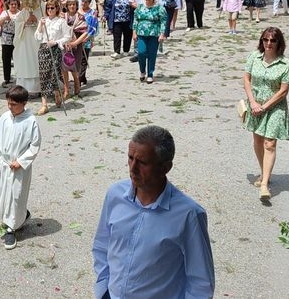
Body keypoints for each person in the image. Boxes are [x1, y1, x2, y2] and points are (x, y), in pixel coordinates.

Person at [92, 125, 215, 299]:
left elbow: (201, 284)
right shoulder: (115, 195)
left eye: (142, 162)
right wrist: (103, 289)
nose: (132, 168)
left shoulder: (189, 215)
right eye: (130, 158)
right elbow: (102, 245)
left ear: (166, 167)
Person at [243, 27, 289, 201]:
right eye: (266, 40)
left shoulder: (287, 65)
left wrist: (264, 107)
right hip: (255, 104)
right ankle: (264, 172)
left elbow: (283, 91)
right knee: (257, 140)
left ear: (279, 43)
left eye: (273, 40)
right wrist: (252, 102)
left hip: (275, 107)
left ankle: (264, 184)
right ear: (261, 41)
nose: (269, 43)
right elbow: (247, 79)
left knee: (270, 143)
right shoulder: (253, 57)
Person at [0, 85, 41, 250]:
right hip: (4, 164)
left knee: (16, 195)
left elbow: (35, 145)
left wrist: (22, 161)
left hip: (18, 167)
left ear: (24, 103)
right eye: (8, 103)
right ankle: (13, 218)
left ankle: (11, 229)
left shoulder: (30, 121)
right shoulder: (5, 117)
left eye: (14, 104)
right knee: (3, 193)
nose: (10, 107)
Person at [35, 0, 68, 115]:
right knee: (44, 75)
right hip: (43, 49)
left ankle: (57, 94)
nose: (50, 10)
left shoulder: (61, 21)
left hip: (55, 49)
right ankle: (44, 104)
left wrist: (56, 42)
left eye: (52, 8)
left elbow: (67, 37)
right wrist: (40, 25)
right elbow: (38, 37)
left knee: (54, 74)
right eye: (48, 8)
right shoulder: (44, 21)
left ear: (56, 8)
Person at [133, 0, 167, 84]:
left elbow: (163, 21)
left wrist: (162, 34)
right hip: (141, 33)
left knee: (152, 55)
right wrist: (134, 32)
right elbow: (135, 20)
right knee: (141, 53)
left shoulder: (159, 8)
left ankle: (150, 74)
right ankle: (142, 70)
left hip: (154, 33)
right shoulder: (139, 7)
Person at [12, 0, 41, 98]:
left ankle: (40, 88)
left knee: (36, 62)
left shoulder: (41, 11)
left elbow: (45, 24)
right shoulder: (22, 13)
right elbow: (18, 25)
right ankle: (26, 89)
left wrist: (37, 21)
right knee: (26, 63)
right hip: (25, 43)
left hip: (37, 42)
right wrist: (25, 23)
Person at [61, 0, 84, 97]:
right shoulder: (62, 17)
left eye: (74, 4)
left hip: (76, 43)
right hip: (64, 43)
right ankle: (66, 89)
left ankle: (76, 82)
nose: (72, 6)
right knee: (64, 66)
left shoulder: (80, 17)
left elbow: (85, 31)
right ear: (67, 6)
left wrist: (75, 43)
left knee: (74, 65)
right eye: (70, 4)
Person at [0, 0, 20, 88]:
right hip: (6, 38)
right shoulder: (4, 13)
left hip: (17, 38)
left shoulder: (20, 13)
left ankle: (19, 76)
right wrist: (4, 19)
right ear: (8, 5)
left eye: (15, 4)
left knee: (18, 58)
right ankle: (7, 78)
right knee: (6, 59)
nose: (13, 6)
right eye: (11, 4)